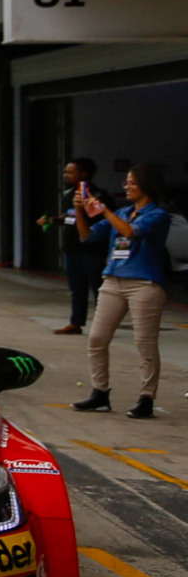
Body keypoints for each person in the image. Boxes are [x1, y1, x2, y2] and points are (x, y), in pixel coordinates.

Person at [73, 163, 172, 418]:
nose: (126, 186)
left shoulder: (158, 215)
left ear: (147, 185)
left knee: (145, 343)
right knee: (97, 338)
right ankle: (100, 392)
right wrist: (80, 210)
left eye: (132, 182)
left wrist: (103, 210)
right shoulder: (123, 212)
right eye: (126, 182)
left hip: (144, 284)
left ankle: (147, 397)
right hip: (114, 280)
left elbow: (130, 232)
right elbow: (87, 236)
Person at [41, 157, 105, 335]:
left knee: (99, 288)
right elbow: (68, 218)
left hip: (92, 250)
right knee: (77, 288)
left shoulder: (98, 196)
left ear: (84, 174)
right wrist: (52, 220)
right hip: (72, 249)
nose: (66, 175)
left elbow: (101, 220)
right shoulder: (69, 195)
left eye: (70, 171)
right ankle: (76, 322)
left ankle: (104, 323)